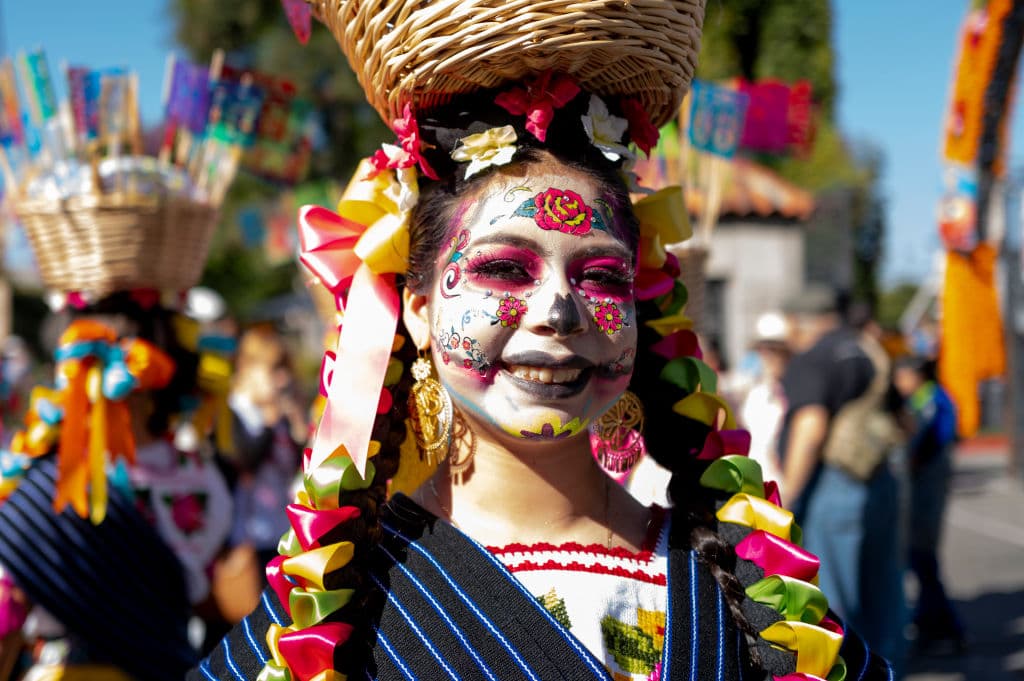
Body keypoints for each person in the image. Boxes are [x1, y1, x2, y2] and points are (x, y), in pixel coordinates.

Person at [190, 4, 891, 680]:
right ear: (419, 311)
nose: (559, 309)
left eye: (602, 275)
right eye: (503, 269)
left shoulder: (743, 586)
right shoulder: (331, 609)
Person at [0, 293, 233, 681]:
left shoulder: (53, 481)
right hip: (167, 669)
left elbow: (6, 615)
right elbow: (203, 588)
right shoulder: (205, 479)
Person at [892, 355, 965, 655]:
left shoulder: (933, 400)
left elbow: (934, 442)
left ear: (917, 375)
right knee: (919, 562)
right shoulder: (921, 399)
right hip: (920, 489)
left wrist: (910, 462)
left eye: (902, 376)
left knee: (923, 559)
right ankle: (930, 623)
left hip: (926, 492)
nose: (899, 383)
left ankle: (946, 627)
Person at [739, 312, 791, 492]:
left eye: (774, 349)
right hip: (753, 482)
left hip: (781, 485)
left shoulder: (792, 390)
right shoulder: (755, 389)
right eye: (762, 349)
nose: (767, 355)